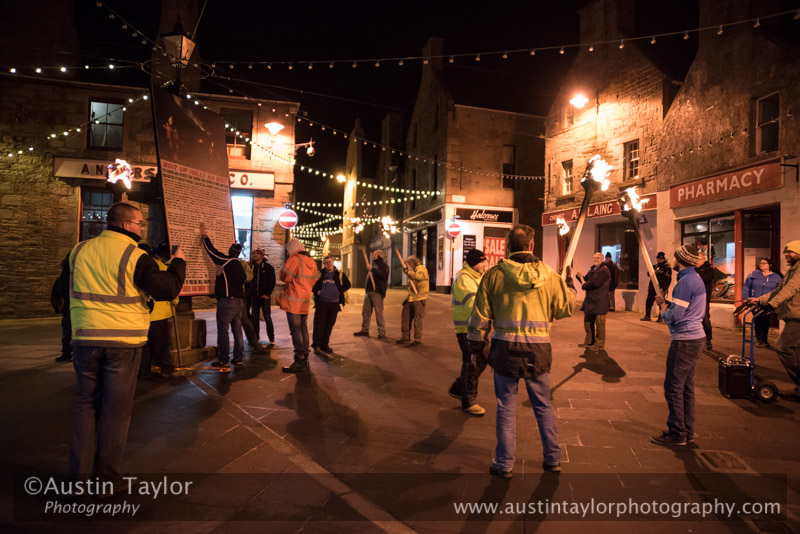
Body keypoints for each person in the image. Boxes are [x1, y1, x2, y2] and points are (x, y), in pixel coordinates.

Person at [68, 202, 185, 482]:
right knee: (116, 411)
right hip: (123, 340)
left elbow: (63, 288)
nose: (141, 228)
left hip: (85, 337)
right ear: (124, 225)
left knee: (85, 405)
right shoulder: (136, 256)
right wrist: (178, 262)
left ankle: (78, 480)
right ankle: (107, 479)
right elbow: (168, 289)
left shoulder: (78, 250)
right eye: (138, 223)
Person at [468, 225, 574, 477]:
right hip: (538, 351)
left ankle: (504, 463)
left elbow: (479, 318)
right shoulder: (549, 275)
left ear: (507, 247)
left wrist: (475, 347)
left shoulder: (493, 275)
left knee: (505, 406)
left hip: (505, 349)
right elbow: (564, 309)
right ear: (531, 246)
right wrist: (568, 287)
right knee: (543, 406)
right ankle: (553, 458)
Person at [651, 244, 706, 446]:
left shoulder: (685, 282)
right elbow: (685, 306)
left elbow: (676, 315)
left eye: (675, 257)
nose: (672, 260)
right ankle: (687, 430)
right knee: (685, 387)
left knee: (673, 386)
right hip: (695, 337)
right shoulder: (693, 279)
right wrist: (666, 301)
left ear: (681, 260)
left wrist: (664, 313)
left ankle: (677, 433)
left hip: (685, 339)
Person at [751, 241, 800, 400]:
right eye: (785, 252)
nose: (786, 254)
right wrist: (760, 300)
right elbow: (779, 289)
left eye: (790, 252)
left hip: (798, 317)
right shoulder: (792, 269)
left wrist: (772, 304)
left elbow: (790, 288)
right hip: (793, 314)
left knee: (783, 348)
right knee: (796, 351)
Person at [448, 249, 489, 416]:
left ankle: (460, 388)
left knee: (479, 359)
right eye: (482, 262)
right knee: (473, 362)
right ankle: (468, 399)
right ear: (473, 264)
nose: (485, 265)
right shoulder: (465, 279)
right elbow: (474, 305)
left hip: (475, 327)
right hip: (468, 328)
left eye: (485, 261)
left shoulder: (476, 278)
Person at [199, 223, 246, 367]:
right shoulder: (239, 266)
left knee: (223, 330)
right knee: (237, 330)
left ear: (229, 251)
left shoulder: (225, 261)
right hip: (239, 302)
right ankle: (238, 358)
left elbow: (211, 251)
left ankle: (224, 359)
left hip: (227, 302)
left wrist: (204, 235)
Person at [278, 239, 318, 373]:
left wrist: (283, 273)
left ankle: (299, 360)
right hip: (304, 302)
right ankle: (305, 358)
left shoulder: (294, 259)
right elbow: (314, 281)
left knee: (296, 331)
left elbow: (285, 277)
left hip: (293, 302)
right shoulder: (311, 262)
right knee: (303, 329)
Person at [312, 256, 351, 354]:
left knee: (329, 325)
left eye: (329, 262)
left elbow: (348, 284)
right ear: (324, 264)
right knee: (319, 324)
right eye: (326, 262)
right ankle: (317, 344)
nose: (328, 264)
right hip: (322, 303)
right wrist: (317, 292)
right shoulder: (321, 275)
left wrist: (339, 291)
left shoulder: (339, 274)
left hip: (334, 304)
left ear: (333, 262)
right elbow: (313, 286)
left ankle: (325, 345)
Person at [742, 257, 782, 348]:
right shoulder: (753, 274)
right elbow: (746, 286)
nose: (762, 265)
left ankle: (765, 340)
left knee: (766, 320)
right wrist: (745, 298)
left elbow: (780, 289)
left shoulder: (776, 277)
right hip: (755, 300)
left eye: (764, 263)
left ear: (770, 265)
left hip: (768, 302)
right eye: (760, 263)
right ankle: (760, 340)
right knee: (758, 319)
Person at [575, 252, 610, 351]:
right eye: (594, 257)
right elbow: (586, 280)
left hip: (599, 302)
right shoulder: (593, 269)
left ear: (602, 259)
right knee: (588, 322)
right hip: (590, 301)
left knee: (600, 325)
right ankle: (589, 341)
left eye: (598, 258)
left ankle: (599, 345)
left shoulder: (604, 271)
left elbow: (595, 283)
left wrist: (584, 285)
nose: (596, 259)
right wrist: (579, 277)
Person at [354, 250, 390, 339]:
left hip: (377, 292)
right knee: (365, 312)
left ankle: (381, 332)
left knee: (379, 313)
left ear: (379, 256)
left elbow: (383, 275)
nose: (373, 256)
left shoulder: (384, 266)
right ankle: (364, 330)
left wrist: (372, 269)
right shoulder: (374, 265)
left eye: (374, 255)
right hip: (369, 292)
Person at [397, 255, 429, 346]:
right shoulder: (414, 270)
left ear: (412, 263)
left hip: (419, 298)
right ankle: (405, 336)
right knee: (406, 316)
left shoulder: (421, 269)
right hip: (411, 298)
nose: (407, 267)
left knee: (417, 319)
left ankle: (417, 339)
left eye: (408, 265)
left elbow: (419, 277)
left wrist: (408, 272)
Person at [249, 248, 276, 345]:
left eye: (257, 253)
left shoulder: (268, 267)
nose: (255, 255)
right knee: (254, 318)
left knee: (267, 317)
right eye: (253, 253)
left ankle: (271, 338)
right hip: (254, 296)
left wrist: (267, 294)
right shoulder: (251, 267)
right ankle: (256, 338)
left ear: (261, 255)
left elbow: (272, 281)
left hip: (264, 297)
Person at [51, 253, 72, 362]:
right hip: (69, 307)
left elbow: (56, 293)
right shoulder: (62, 279)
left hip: (72, 306)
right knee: (67, 330)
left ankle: (68, 352)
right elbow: (55, 293)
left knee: (69, 330)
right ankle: (67, 352)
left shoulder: (64, 279)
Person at [641, 252, 672, 322]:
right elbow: (649, 274)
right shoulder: (656, 266)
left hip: (661, 287)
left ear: (663, 259)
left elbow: (667, 279)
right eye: (657, 259)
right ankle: (647, 315)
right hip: (652, 287)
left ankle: (660, 317)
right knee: (649, 301)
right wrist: (652, 271)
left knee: (660, 303)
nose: (658, 261)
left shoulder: (667, 267)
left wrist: (664, 288)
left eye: (660, 260)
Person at [695, 251, 714, 350]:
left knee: (705, 320)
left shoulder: (709, 269)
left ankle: (708, 339)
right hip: (692, 298)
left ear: (703, 260)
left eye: (697, 259)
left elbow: (706, 278)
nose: (695, 262)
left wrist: (694, 273)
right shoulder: (692, 269)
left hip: (703, 299)